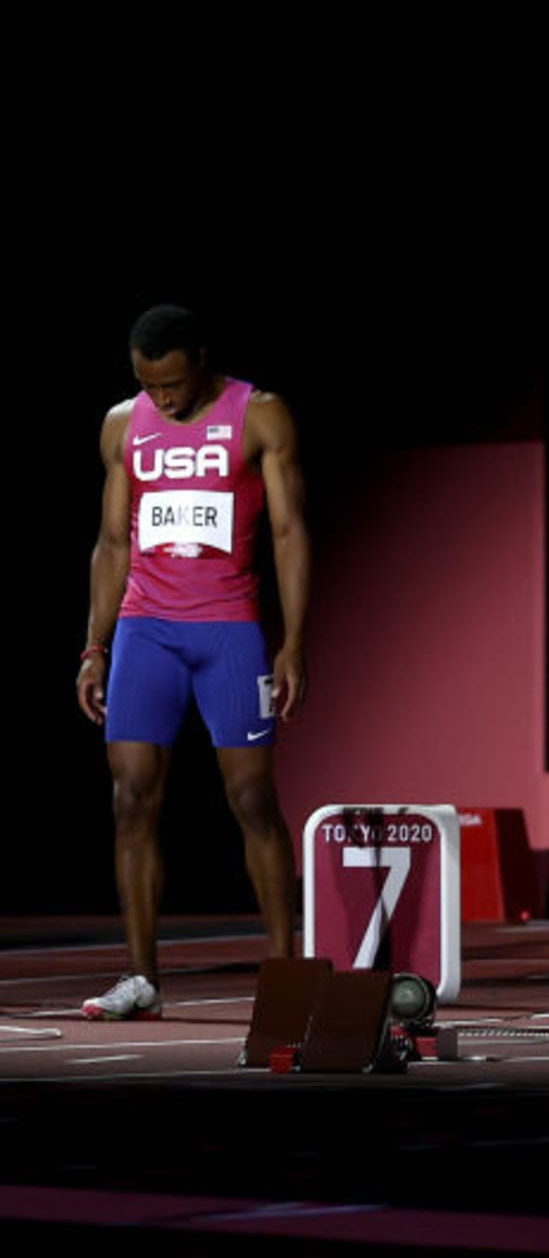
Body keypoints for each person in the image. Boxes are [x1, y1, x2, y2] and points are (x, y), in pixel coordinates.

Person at [77, 305, 309, 1020]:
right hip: (147, 629)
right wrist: (94, 645)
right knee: (131, 800)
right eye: (151, 385)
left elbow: (288, 529)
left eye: (174, 384)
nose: (165, 398)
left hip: (229, 632)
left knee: (251, 800)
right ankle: (141, 977)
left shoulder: (259, 414)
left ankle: (286, 971)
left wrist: (293, 640)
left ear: (201, 360)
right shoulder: (124, 423)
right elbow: (113, 543)